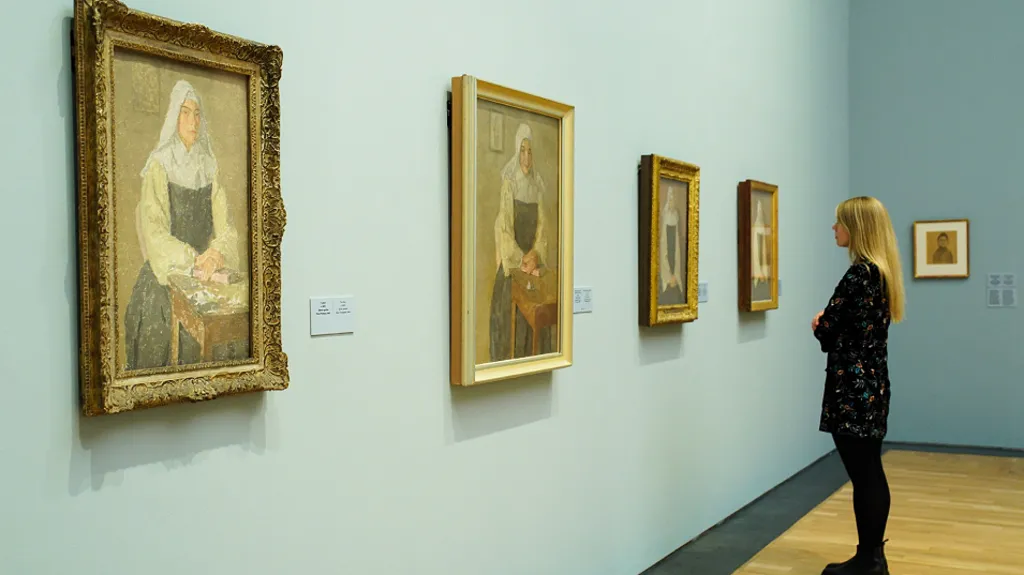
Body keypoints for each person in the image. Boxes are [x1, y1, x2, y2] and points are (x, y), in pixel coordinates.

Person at [811, 196, 905, 575]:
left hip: (852, 388)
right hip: (874, 385)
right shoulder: (881, 273)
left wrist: (819, 323)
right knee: (870, 472)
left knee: (863, 474)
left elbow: (830, 330)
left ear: (857, 228)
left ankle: (869, 560)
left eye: (839, 222)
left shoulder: (859, 274)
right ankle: (873, 557)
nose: (834, 229)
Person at [124, 79, 242, 370]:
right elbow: (155, 234)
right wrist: (193, 260)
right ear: (175, 117)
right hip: (170, 273)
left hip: (209, 272)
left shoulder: (209, 165)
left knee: (235, 328)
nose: (193, 121)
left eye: (197, 114)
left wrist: (215, 255)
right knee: (163, 334)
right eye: (186, 113)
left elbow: (226, 227)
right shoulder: (159, 165)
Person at [488, 122, 553, 362]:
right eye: (523, 150)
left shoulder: (537, 187)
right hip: (515, 265)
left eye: (530, 151)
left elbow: (543, 227)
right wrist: (520, 259)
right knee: (506, 319)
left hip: (533, 264)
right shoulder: (510, 184)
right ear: (517, 151)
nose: (527, 156)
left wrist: (535, 254)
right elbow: (503, 226)